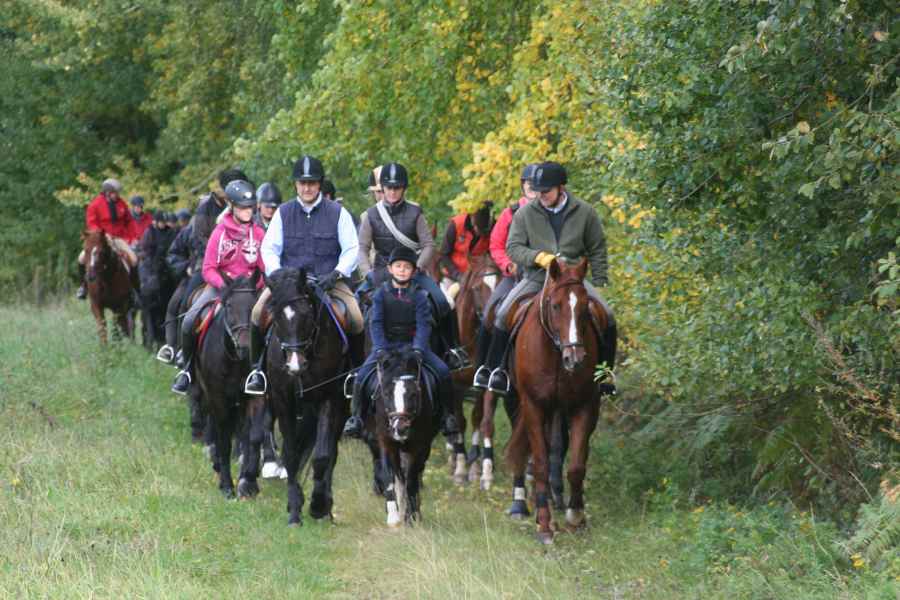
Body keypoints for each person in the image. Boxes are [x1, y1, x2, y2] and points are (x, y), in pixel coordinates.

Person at [474, 161, 611, 394]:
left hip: (573, 278)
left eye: (546, 191)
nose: (541, 195)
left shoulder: (585, 212)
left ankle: (605, 374)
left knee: (607, 313)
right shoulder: (525, 213)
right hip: (538, 276)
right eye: (538, 191)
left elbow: (597, 248)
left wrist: (599, 280)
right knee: (503, 313)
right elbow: (513, 247)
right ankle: (496, 370)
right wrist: (538, 257)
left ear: (561, 188)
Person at [244, 155, 365, 395]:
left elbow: (352, 248)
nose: (307, 188)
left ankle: (354, 373)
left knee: (356, 317)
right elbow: (269, 249)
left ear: (319, 184)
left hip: (328, 281)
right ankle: (257, 371)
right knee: (257, 312)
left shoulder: (338, 212)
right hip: (289, 285)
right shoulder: (283, 213)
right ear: (295, 184)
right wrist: (278, 276)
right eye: (302, 183)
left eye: (312, 183)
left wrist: (337, 272)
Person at [343, 247, 458, 438]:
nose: (402, 270)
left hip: (413, 346)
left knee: (443, 372)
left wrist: (419, 349)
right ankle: (356, 418)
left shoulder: (420, 296)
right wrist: (380, 348)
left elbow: (423, 325)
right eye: (398, 266)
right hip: (386, 347)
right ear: (390, 269)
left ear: (413, 271)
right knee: (361, 376)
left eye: (407, 267)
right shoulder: (380, 295)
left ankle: (447, 416)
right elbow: (376, 323)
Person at [172, 180, 266, 394]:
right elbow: (208, 268)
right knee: (189, 319)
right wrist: (224, 286)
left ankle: (261, 372)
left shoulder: (259, 233)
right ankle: (187, 370)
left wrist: (256, 286)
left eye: (250, 207)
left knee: (273, 321)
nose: (247, 211)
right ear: (231, 206)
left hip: (250, 290)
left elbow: (264, 268)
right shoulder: (219, 232)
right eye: (242, 207)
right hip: (221, 287)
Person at [472, 164, 537, 382]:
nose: (532, 187)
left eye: (536, 184)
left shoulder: (550, 212)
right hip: (514, 277)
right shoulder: (510, 213)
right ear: (522, 185)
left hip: (548, 275)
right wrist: (508, 265)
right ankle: (486, 369)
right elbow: (496, 245)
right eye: (528, 183)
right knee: (491, 313)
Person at [76, 178, 140, 299]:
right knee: (81, 258)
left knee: (134, 259)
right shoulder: (95, 205)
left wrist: (133, 237)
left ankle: (135, 290)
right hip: (101, 239)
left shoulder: (121, 204)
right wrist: (102, 234)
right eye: (115, 193)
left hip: (119, 239)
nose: (118, 195)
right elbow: (91, 223)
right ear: (108, 192)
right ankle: (83, 286)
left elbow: (129, 222)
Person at [155, 218, 195, 364]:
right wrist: (186, 267)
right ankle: (172, 347)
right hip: (193, 276)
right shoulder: (190, 230)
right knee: (173, 305)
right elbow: (173, 254)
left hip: (227, 279)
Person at [437, 203, 493, 302]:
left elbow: (492, 254)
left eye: (483, 231)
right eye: (477, 228)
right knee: (447, 301)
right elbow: (444, 254)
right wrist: (457, 275)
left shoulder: (492, 227)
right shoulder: (456, 224)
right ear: (472, 218)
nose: (479, 233)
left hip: (478, 277)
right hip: (453, 275)